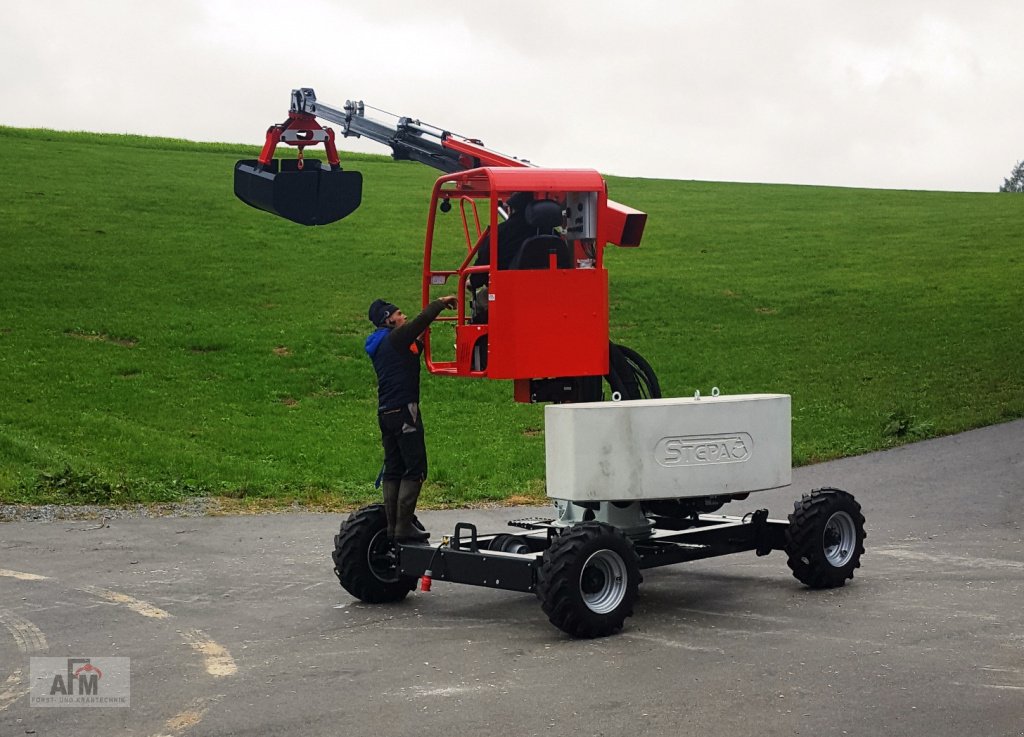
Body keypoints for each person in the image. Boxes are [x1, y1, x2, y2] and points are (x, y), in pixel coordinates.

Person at [365, 295, 457, 542]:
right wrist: (440, 302)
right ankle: (403, 525)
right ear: (389, 319)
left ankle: (393, 527)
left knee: (394, 469)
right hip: (405, 411)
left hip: (385, 413)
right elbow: (422, 320)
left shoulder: (381, 344)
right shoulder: (397, 337)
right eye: (399, 314)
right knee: (415, 468)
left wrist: (419, 344)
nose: (403, 316)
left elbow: (407, 358)